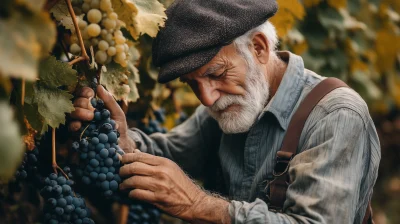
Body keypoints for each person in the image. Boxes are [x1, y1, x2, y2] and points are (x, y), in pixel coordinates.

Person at [69, 0, 381, 223]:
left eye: (217, 73)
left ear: (258, 48)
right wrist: (122, 141)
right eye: (192, 84)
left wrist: (199, 205)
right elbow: (168, 153)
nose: (206, 98)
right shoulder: (228, 107)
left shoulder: (335, 115)